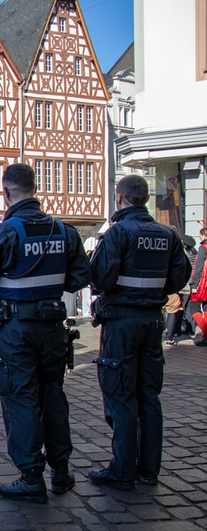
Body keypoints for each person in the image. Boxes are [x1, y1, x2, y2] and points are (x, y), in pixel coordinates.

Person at [0, 163, 91, 503]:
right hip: (52, 326)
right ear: (36, 189)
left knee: (21, 399)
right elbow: (80, 278)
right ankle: (61, 472)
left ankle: (31, 477)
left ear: (6, 193)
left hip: (16, 330)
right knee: (53, 396)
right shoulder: (65, 231)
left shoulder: (5, 233)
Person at [88, 175, 191, 490]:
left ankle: (122, 470)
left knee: (120, 396)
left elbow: (100, 278)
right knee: (149, 396)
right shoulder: (167, 235)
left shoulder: (118, 233)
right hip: (152, 322)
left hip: (121, 321)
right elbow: (179, 277)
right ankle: (149, 469)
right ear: (144, 199)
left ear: (120, 198)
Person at [188, 227, 207, 345]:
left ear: (204, 235)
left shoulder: (202, 248)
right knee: (206, 308)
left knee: (194, 308)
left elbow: (198, 267)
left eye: (200, 235)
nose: (199, 237)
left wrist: (194, 284)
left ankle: (206, 332)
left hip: (202, 283)